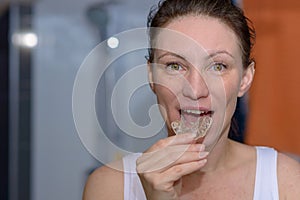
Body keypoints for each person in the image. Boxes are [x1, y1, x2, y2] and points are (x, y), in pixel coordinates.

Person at [83, 0, 300, 199]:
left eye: (218, 66)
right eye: (175, 66)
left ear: (245, 79)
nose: (195, 91)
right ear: (151, 76)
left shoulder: (286, 182)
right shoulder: (110, 186)